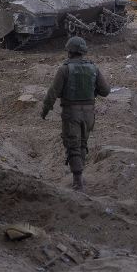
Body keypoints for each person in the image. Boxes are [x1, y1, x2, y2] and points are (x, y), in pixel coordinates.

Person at [40, 36, 111, 191]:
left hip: (71, 113)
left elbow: (52, 93)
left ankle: (78, 181)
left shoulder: (64, 69)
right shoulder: (93, 68)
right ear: (83, 52)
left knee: (73, 145)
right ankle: (80, 176)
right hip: (89, 113)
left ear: (69, 52)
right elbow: (105, 91)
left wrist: (45, 111)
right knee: (82, 144)